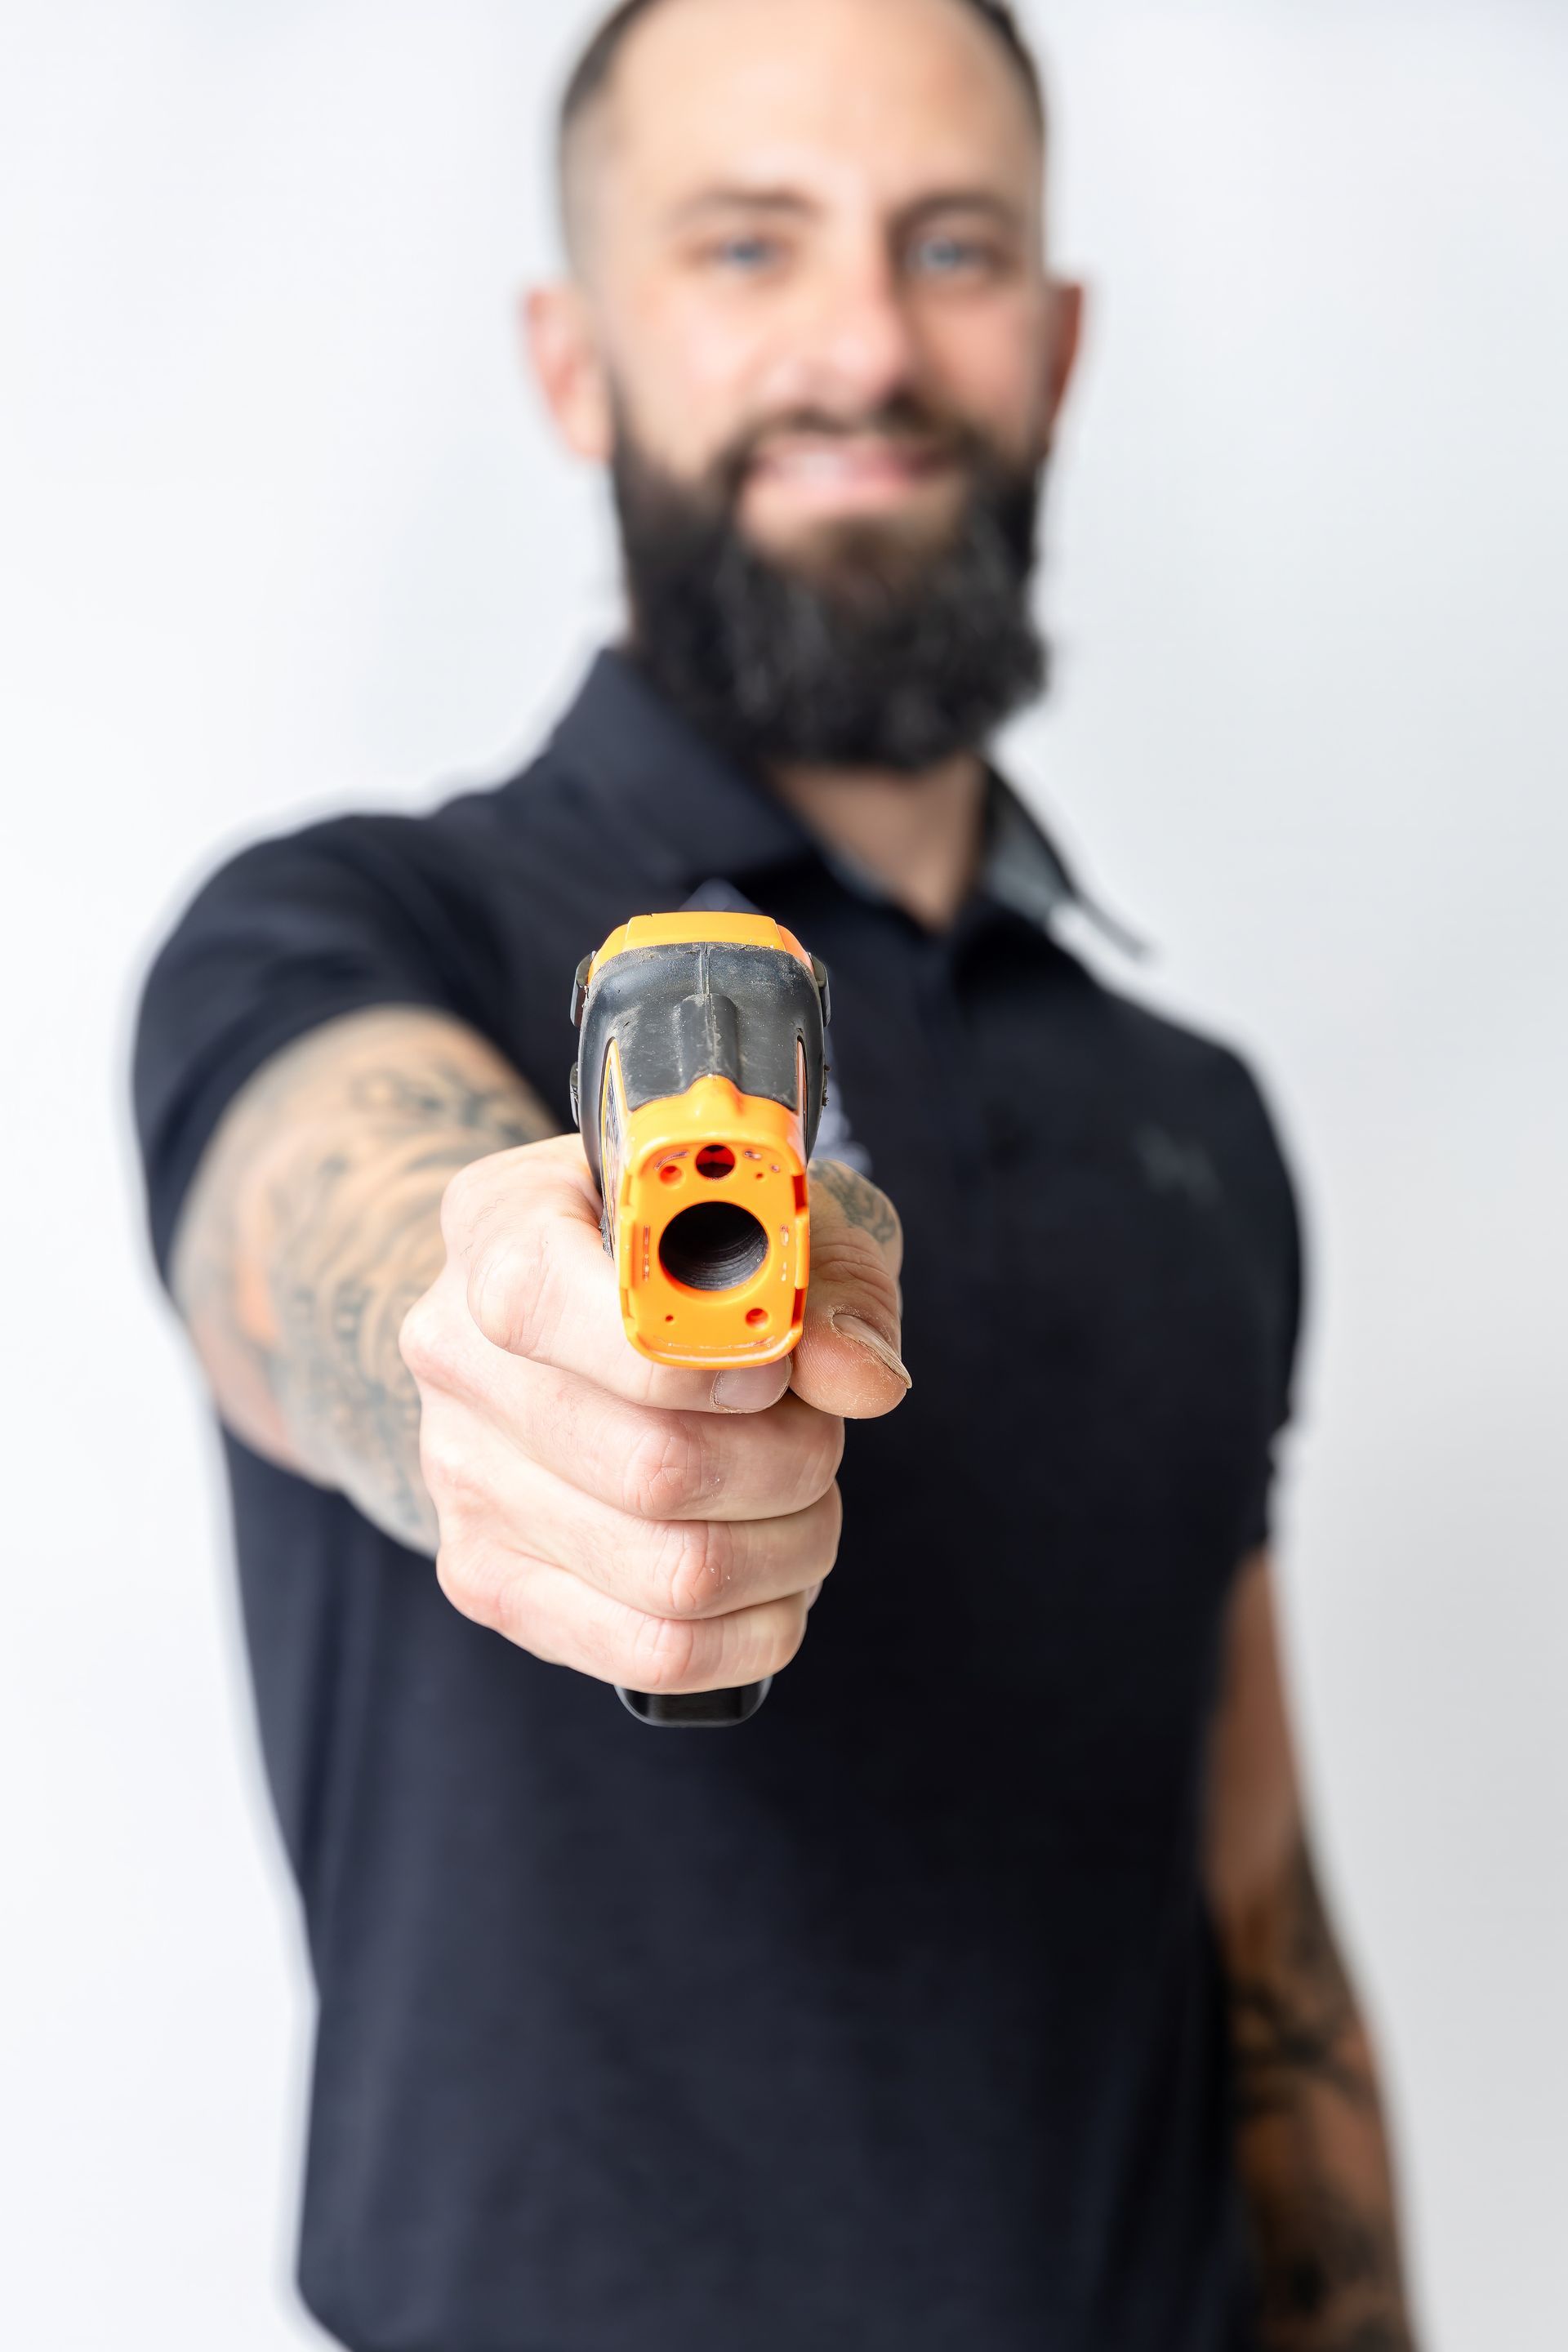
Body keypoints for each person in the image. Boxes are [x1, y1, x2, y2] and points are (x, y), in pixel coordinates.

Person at [132, 1, 1419, 2345]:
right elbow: (339, 1224)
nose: (865, 346)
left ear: (1056, 345)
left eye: (953, 248)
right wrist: (500, 1357)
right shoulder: (345, 932)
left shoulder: (1196, 1123)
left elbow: (1257, 1912)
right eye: (747, 245)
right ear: (574, 360)